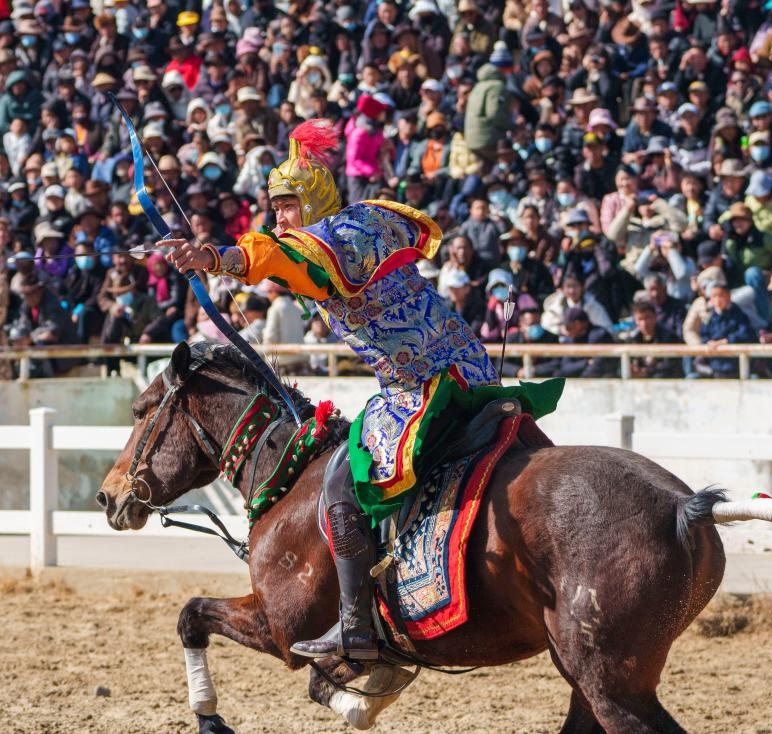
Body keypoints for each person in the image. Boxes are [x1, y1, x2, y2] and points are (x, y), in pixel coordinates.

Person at [166, 120, 558, 663]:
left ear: (312, 199)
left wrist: (214, 259)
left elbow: (279, 257)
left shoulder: (325, 246)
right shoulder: (365, 220)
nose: (278, 217)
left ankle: (354, 624)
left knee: (343, 477)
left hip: (421, 390)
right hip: (473, 372)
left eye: (286, 205)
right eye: (275, 207)